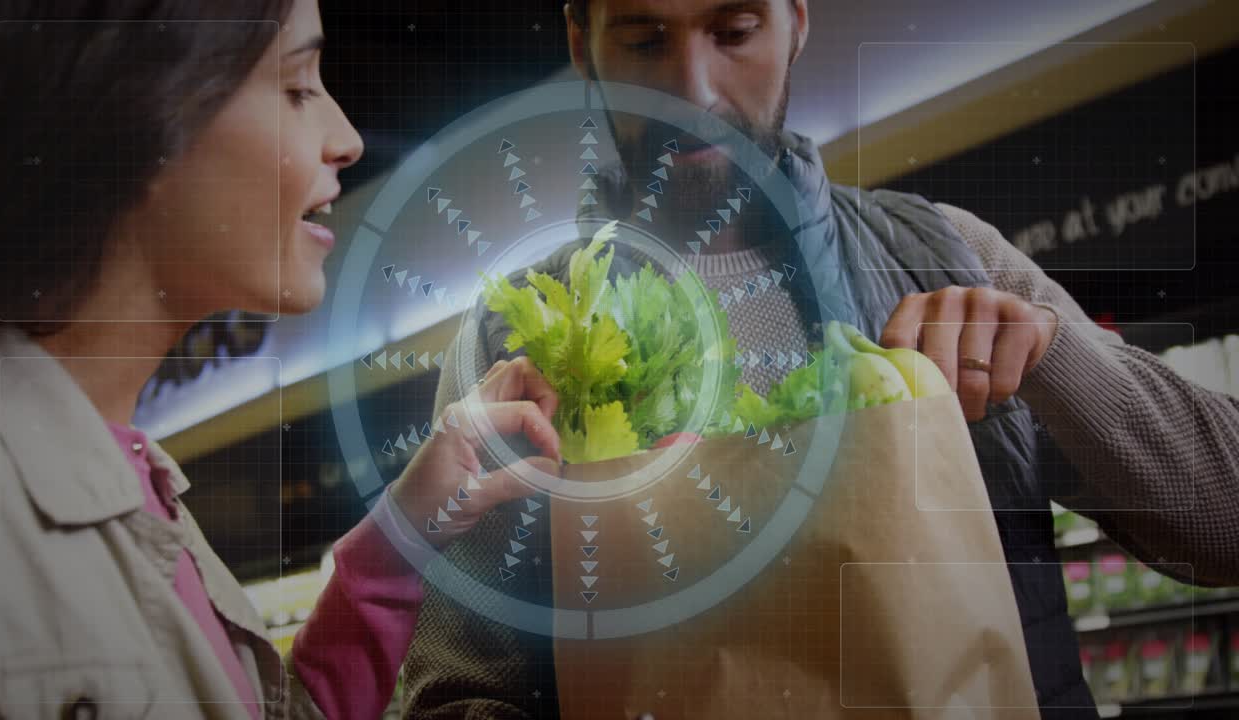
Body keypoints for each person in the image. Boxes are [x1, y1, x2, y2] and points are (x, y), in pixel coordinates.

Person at [403, 1, 1239, 718]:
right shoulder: (512, 341)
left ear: (796, 22)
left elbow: (1224, 525)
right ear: (584, 47)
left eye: (734, 30)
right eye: (645, 40)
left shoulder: (946, 256)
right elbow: (454, 688)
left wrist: (1055, 358)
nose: (693, 91)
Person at [0, 2, 562, 719]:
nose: (345, 139)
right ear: (135, 106)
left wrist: (399, 540)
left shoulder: (135, 484)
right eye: (298, 86)